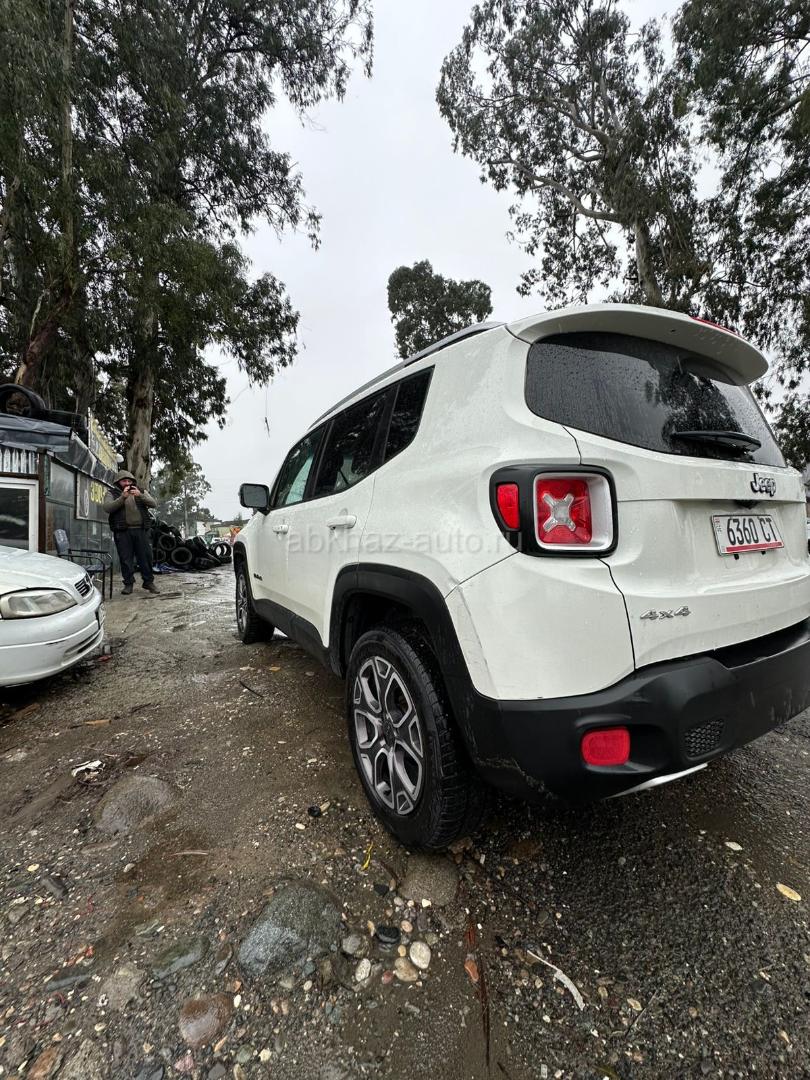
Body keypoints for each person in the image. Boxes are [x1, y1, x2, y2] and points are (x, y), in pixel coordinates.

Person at [103, 470, 159, 595]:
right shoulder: (112, 493)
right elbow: (107, 507)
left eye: (129, 481)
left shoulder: (141, 491)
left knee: (146, 557)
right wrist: (122, 497)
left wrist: (140, 495)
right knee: (126, 559)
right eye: (124, 481)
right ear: (118, 482)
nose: (127, 483)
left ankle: (148, 582)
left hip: (141, 530)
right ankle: (128, 584)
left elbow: (154, 504)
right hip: (123, 531)